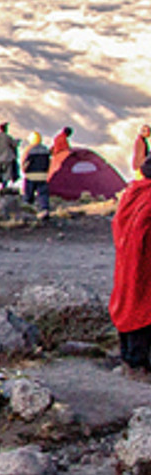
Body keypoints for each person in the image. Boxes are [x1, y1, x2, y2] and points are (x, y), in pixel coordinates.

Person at [110, 156, 151, 371]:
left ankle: (129, 357)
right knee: (143, 306)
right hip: (143, 264)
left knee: (129, 301)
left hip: (128, 261)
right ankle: (138, 361)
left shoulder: (132, 194)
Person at [23, 132, 53, 213]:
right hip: (43, 175)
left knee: (28, 192)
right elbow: (49, 162)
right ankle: (44, 208)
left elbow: (25, 163)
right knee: (43, 193)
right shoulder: (45, 149)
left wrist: (25, 171)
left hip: (31, 175)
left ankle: (27, 208)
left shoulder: (29, 149)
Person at [0, 122, 20, 193]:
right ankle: (3, 188)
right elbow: (14, 144)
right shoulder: (7, 137)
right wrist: (17, 141)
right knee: (7, 173)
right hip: (7, 158)